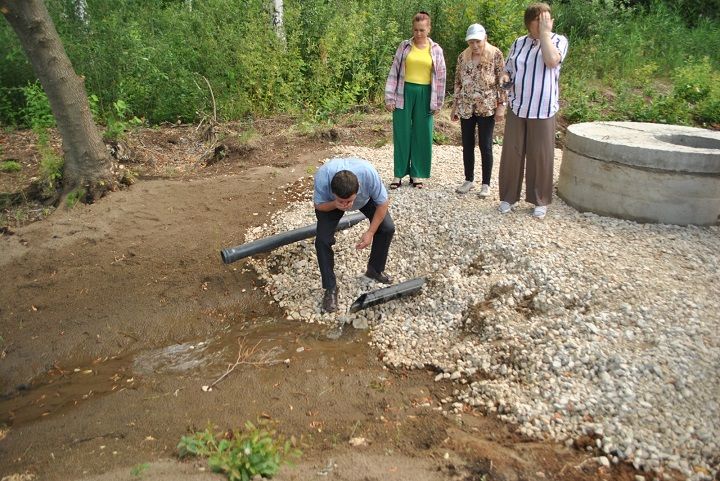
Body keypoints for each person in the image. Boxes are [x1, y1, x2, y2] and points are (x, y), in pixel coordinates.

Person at [497, 2, 568, 219]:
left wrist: (545, 35)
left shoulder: (558, 41)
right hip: (518, 107)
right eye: (540, 19)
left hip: (543, 108)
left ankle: (540, 200)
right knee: (512, 154)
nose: (546, 22)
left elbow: (551, 61)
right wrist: (505, 79)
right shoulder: (519, 43)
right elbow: (508, 70)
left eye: (548, 18)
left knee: (541, 156)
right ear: (530, 23)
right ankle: (508, 197)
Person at [313, 157, 395, 313]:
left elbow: (383, 203)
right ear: (332, 191)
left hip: (364, 200)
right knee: (322, 241)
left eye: (349, 201)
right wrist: (335, 204)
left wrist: (370, 232)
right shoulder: (323, 177)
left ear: (359, 187)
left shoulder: (368, 175)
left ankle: (375, 270)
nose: (346, 206)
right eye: (342, 201)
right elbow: (319, 205)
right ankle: (330, 288)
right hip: (330, 205)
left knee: (387, 228)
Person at [385, 11, 446, 190]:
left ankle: (416, 173)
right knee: (402, 132)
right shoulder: (404, 46)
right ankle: (398, 173)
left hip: (426, 94)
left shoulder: (436, 49)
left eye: (422, 30)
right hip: (404, 92)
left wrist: (438, 102)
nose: (418, 33)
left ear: (428, 29)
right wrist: (390, 97)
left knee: (423, 133)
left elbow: (441, 77)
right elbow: (394, 71)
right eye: (415, 30)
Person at [451, 23, 507, 198]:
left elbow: (502, 82)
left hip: (487, 106)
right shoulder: (463, 57)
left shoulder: (495, 54)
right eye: (471, 42)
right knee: (467, 144)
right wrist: (454, 106)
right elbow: (458, 82)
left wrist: (501, 107)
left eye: (478, 41)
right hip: (466, 106)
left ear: (485, 39)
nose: (474, 46)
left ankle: (486, 183)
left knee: (486, 144)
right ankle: (468, 179)